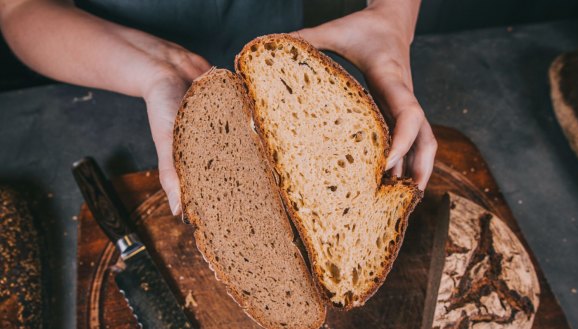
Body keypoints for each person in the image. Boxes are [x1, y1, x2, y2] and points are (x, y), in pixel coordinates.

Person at [0, 0, 437, 216]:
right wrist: (158, 71)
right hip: (114, 64)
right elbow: (19, 7)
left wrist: (390, 19)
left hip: (326, 55)